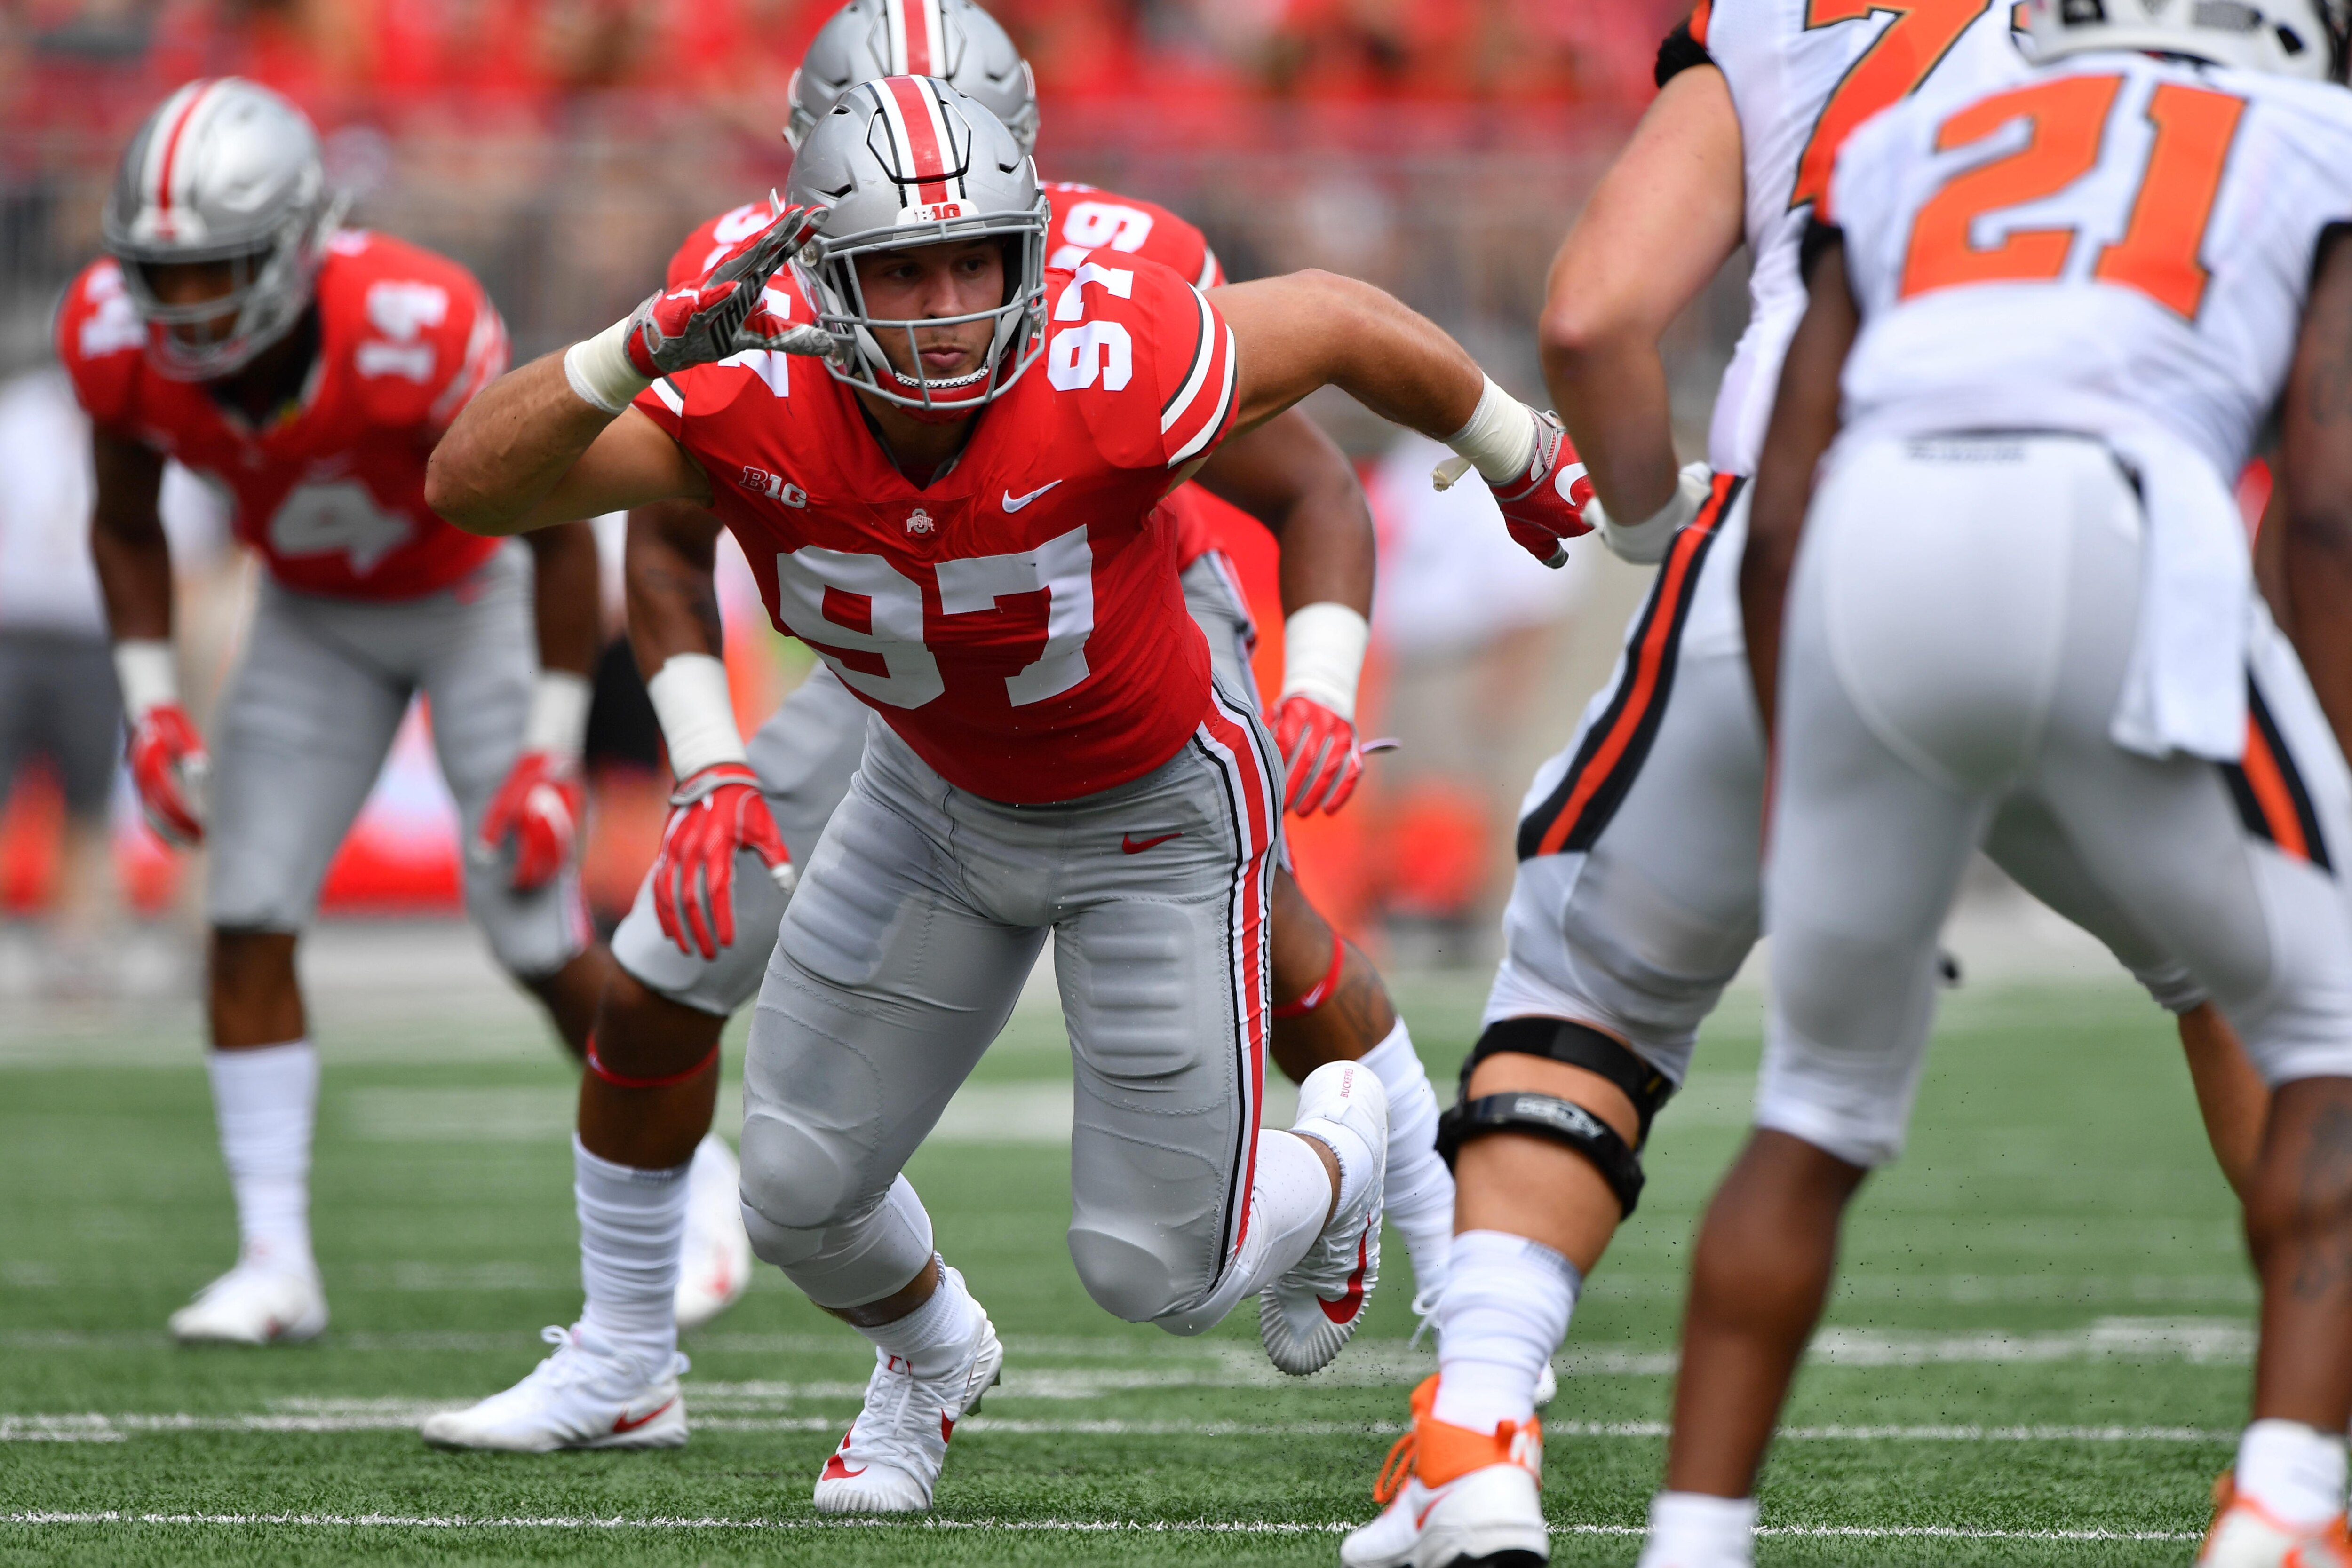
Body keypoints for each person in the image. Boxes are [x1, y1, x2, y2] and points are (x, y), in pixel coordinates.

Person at [422, 76, 1590, 1512]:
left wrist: (1516, 449)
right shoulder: (753, 387)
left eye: (974, 259)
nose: (947, 302)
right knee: (790, 1188)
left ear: (1025, 256)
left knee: (1157, 1275)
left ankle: (1342, 1156)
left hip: (1150, 814)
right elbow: (471, 487)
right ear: (830, 275)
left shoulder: (1114, 357)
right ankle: (927, 1359)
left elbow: (1344, 320)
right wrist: (627, 353)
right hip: (928, 799)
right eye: (903, 269)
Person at [1342, 2, 2278, 1562]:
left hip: (1809, 530)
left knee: (1593, 988)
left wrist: (1649, 529)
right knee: (2260, 991)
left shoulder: (1785, 17)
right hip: (2113, 546)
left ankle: (1480, 1433)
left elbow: (1589, 319)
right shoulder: (2230, 36)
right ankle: (2298, 1461)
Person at [1645, 0, 2352, 1561]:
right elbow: (2326, 506)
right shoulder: (2314, 141)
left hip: (1867, 547)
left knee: (1815, 1104)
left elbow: (1780, 504)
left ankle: (1693, 1539)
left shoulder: (1908, 144)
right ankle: (2287, 1509)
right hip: (2120, 517)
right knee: (2332, 1032)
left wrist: (1803, 768)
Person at [58, 77, 614, 1345]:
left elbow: (563, 513)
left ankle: (691, 1185)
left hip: (473, 593)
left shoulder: (414, 322)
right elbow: (127, 520)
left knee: (534, 929)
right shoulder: (108, 333)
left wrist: (549, 747)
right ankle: (274, 1260)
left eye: (221, 271)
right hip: (310, 613)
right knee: (247, 915)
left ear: (300, 241)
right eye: (164, 273)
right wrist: (151, 708)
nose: (185, 304)